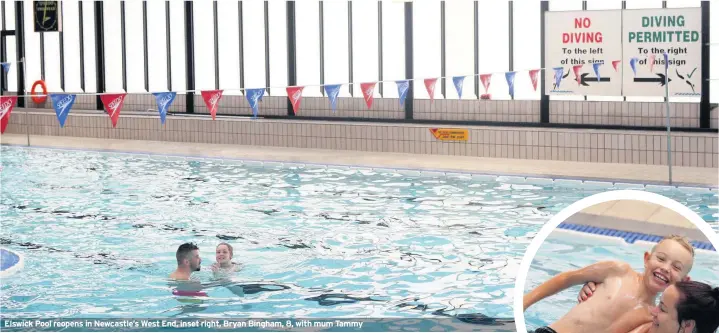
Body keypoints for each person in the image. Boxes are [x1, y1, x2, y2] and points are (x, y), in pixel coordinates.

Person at [524, 235, 695, 333]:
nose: (665, 268)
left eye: (676, 267)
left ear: (684, 281)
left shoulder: (652, 318)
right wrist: (523, 303)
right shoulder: (618, 271)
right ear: (646, 259)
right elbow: (566, 278)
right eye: (661, 259)